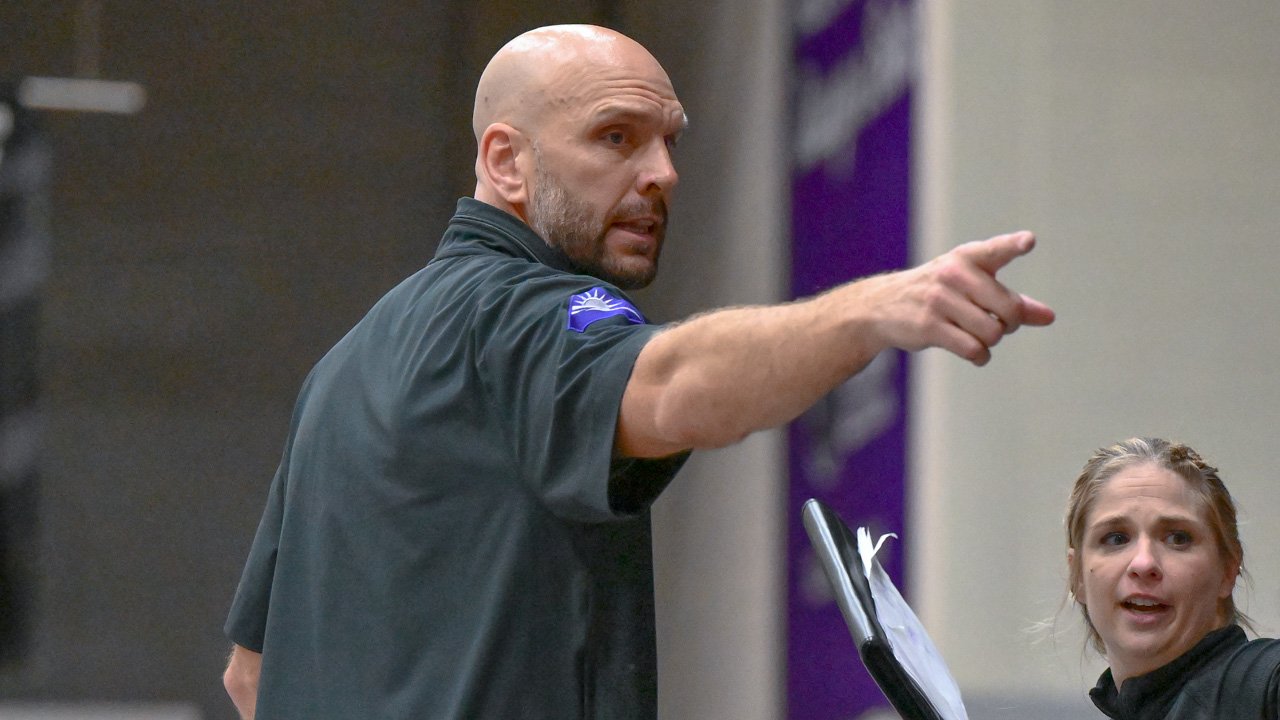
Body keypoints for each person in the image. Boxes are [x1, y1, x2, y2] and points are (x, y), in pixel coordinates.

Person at [222, 23, 1055, 720]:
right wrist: (875, 308)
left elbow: (251, 675)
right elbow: (670, 384)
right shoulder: (526, 316)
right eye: (616, 137)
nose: (662, 174)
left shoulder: (338, 372)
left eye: (668, 141)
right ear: (506, 162)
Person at [1065, 437, 1280, 719]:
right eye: (1116, 538)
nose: (1144, 563)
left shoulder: (1266, 682)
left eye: (1178, 538)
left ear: (1228, 569)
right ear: (1077, 575)